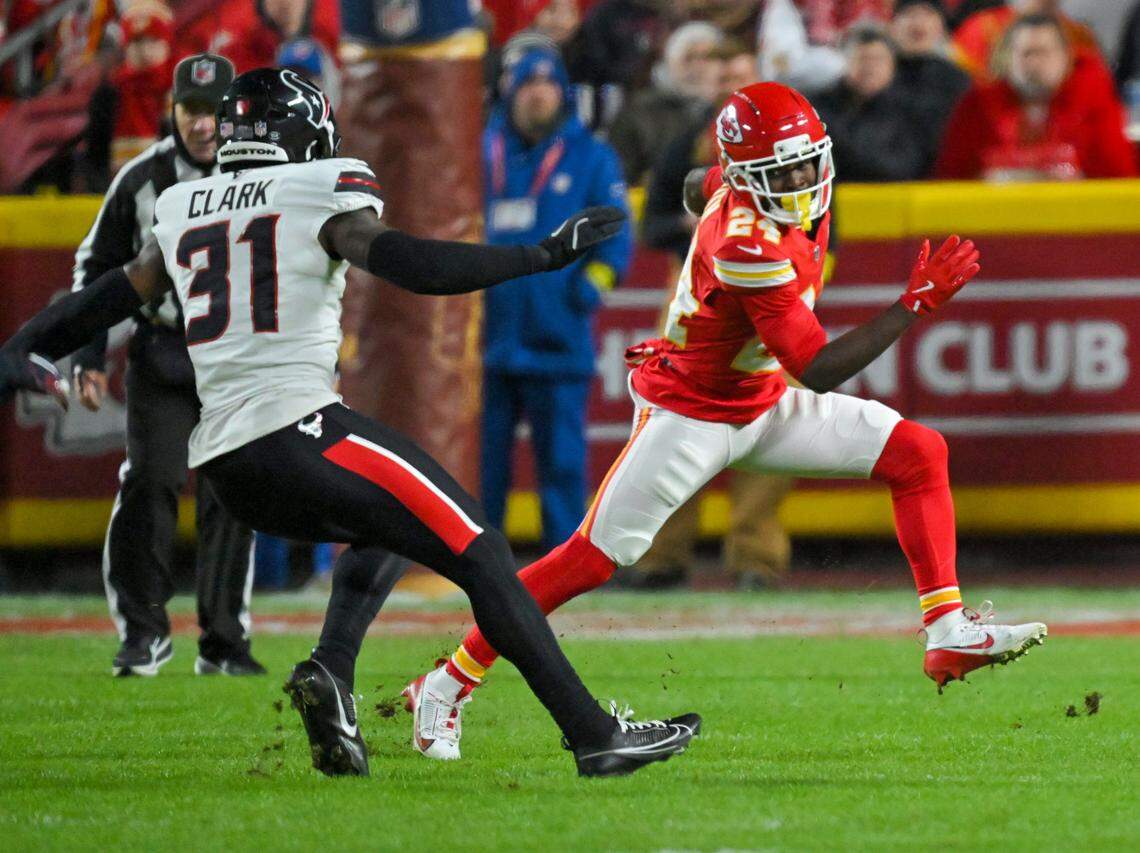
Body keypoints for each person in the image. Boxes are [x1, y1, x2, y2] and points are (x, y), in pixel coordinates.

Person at [0, 68, 699, 779]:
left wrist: (20, 347)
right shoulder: (319, 187)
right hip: (297, 429)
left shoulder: (184, 202)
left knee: (389, 525)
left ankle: (331, 672)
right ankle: (592, 733)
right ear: (301, 136)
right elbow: (407, 262)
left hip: (224, 464)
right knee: (482, 548)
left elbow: (111, 294)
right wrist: (538, 256)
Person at [404, 81, 1048, 760]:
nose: (802, 181)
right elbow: (819, 367)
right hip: (693, 412)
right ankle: (446, 683)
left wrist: (712, 187)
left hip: (760, 397)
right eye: (783, 171)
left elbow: (692, 182)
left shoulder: (741, 184)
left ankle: (946, 626)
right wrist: (913, 304)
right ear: (748, 177)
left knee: (917, 451)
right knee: (588, 560)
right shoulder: (747, 243)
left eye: (808, 163)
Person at [68, 53, 265, 678]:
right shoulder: (140, 178)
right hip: (164, 350)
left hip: (234, 356)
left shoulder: (265, 175)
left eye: (214, 110)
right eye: (192, 110)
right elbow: (96, 268)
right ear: (171, 111)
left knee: (235, 495)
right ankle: (144, 632)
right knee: (151, 482)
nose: (203, 124)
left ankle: (224, 640)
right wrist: (90, 354)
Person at [481, 46, 632, 553]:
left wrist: (587, 290)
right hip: (488, 340)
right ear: (510, 91)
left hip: (558, 338)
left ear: (562, 92)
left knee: (563, 465)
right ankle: (474, 571)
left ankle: (564, 571)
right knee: (481, 472)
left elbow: (617, 239)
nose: (537, 93)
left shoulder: (591, 155)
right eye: (527, 84)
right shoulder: (479, 151)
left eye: (547, 84)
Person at [936, 14, 1137, 180]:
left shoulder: (1094, 104)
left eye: (1043, 53)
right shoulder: (976, 106)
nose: (1034, 63)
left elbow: (1116, 173)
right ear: (1008, 57)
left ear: (1065, 57)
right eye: (1026, 53)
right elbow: (953, 175)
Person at [607, 21, 723, 185]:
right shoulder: (639, 114)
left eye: (707, 57)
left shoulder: (731, 111)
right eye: (689, 58)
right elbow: (619, 178)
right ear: (670, 63)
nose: (699, 67)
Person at [813, 25, 928, 182]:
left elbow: (904, 167)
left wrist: (845, 151)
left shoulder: (910, 110)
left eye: (878, 60)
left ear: (893, 65)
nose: (870, 68)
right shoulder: (820, 108)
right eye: (862, 58)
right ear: (845, 62)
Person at [890, 0, 971, 175]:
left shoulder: (957, 80)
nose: (918, 23)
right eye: (910, 14)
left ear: (941, 26)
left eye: (927, 14)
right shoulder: (876, 77)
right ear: (892, 25)